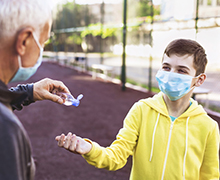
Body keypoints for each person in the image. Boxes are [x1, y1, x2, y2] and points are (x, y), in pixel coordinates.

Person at [56, 39, 219, 180]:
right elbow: (116, 157)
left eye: (181, 70)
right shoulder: (141, 110)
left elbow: (209, 176)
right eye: (166, 67)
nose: (171, 74)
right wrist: (89, 149)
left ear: (199, 79)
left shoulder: (208, 127)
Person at [0, 0, 72, 179]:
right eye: (43, 42)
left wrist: (30, 91)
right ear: (24, 41)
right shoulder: (5, 129)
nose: (42, 50)